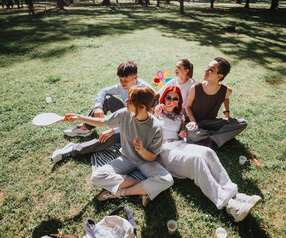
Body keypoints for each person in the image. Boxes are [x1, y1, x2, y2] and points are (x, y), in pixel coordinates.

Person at [154, 86, 261, 222]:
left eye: (175, 99)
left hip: (179, 144)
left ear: (178, 102)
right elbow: (146, 131)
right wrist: (155, 116)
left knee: (208, 152)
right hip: (164, 151)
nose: (171, 101)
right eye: (168, 97)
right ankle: (229, 205)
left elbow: (181, 136)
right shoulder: (154, 112)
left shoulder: (180, 117)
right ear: (163, 98)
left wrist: (182, 135)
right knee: (196, 160)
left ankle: (234, 194)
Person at [63, 86, 173, 207]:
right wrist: (79, 117)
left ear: (141, 107)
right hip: (126, 158)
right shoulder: (124, 114)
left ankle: (122, 192)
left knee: (167, 180)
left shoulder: (157, 127)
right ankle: (142, 187)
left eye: (130, 100)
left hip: (145, 162)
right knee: (97, 176)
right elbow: (102, 123)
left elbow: (151, 157)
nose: (126, 101)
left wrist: (141, 150)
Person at [51, 61, 154, 163]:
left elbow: (143, 121)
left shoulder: (145, 92)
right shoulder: (123, 86)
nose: (122, 83)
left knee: (110, 136)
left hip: (138, 127)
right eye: (120, 79)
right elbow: (103, 91)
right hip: (127, 113)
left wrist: (115, 130)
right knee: (107, 99)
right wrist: (98, 107)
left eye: (125, 80)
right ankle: (85, 128)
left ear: (135, 77)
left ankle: (73, 150)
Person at [185, 57, 247, 149]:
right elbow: (188, 107)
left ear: (220, 75)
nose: (206, 70)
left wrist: (226, 113)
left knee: (242, 123)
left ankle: (211, 139)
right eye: (207, 67)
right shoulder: (195, 88)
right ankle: (221, 137)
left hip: (211, 122)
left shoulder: (226, 90)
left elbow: (226, 99)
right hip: (195, 123)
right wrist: (193, 121)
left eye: (211, 70)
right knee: (190, 134)